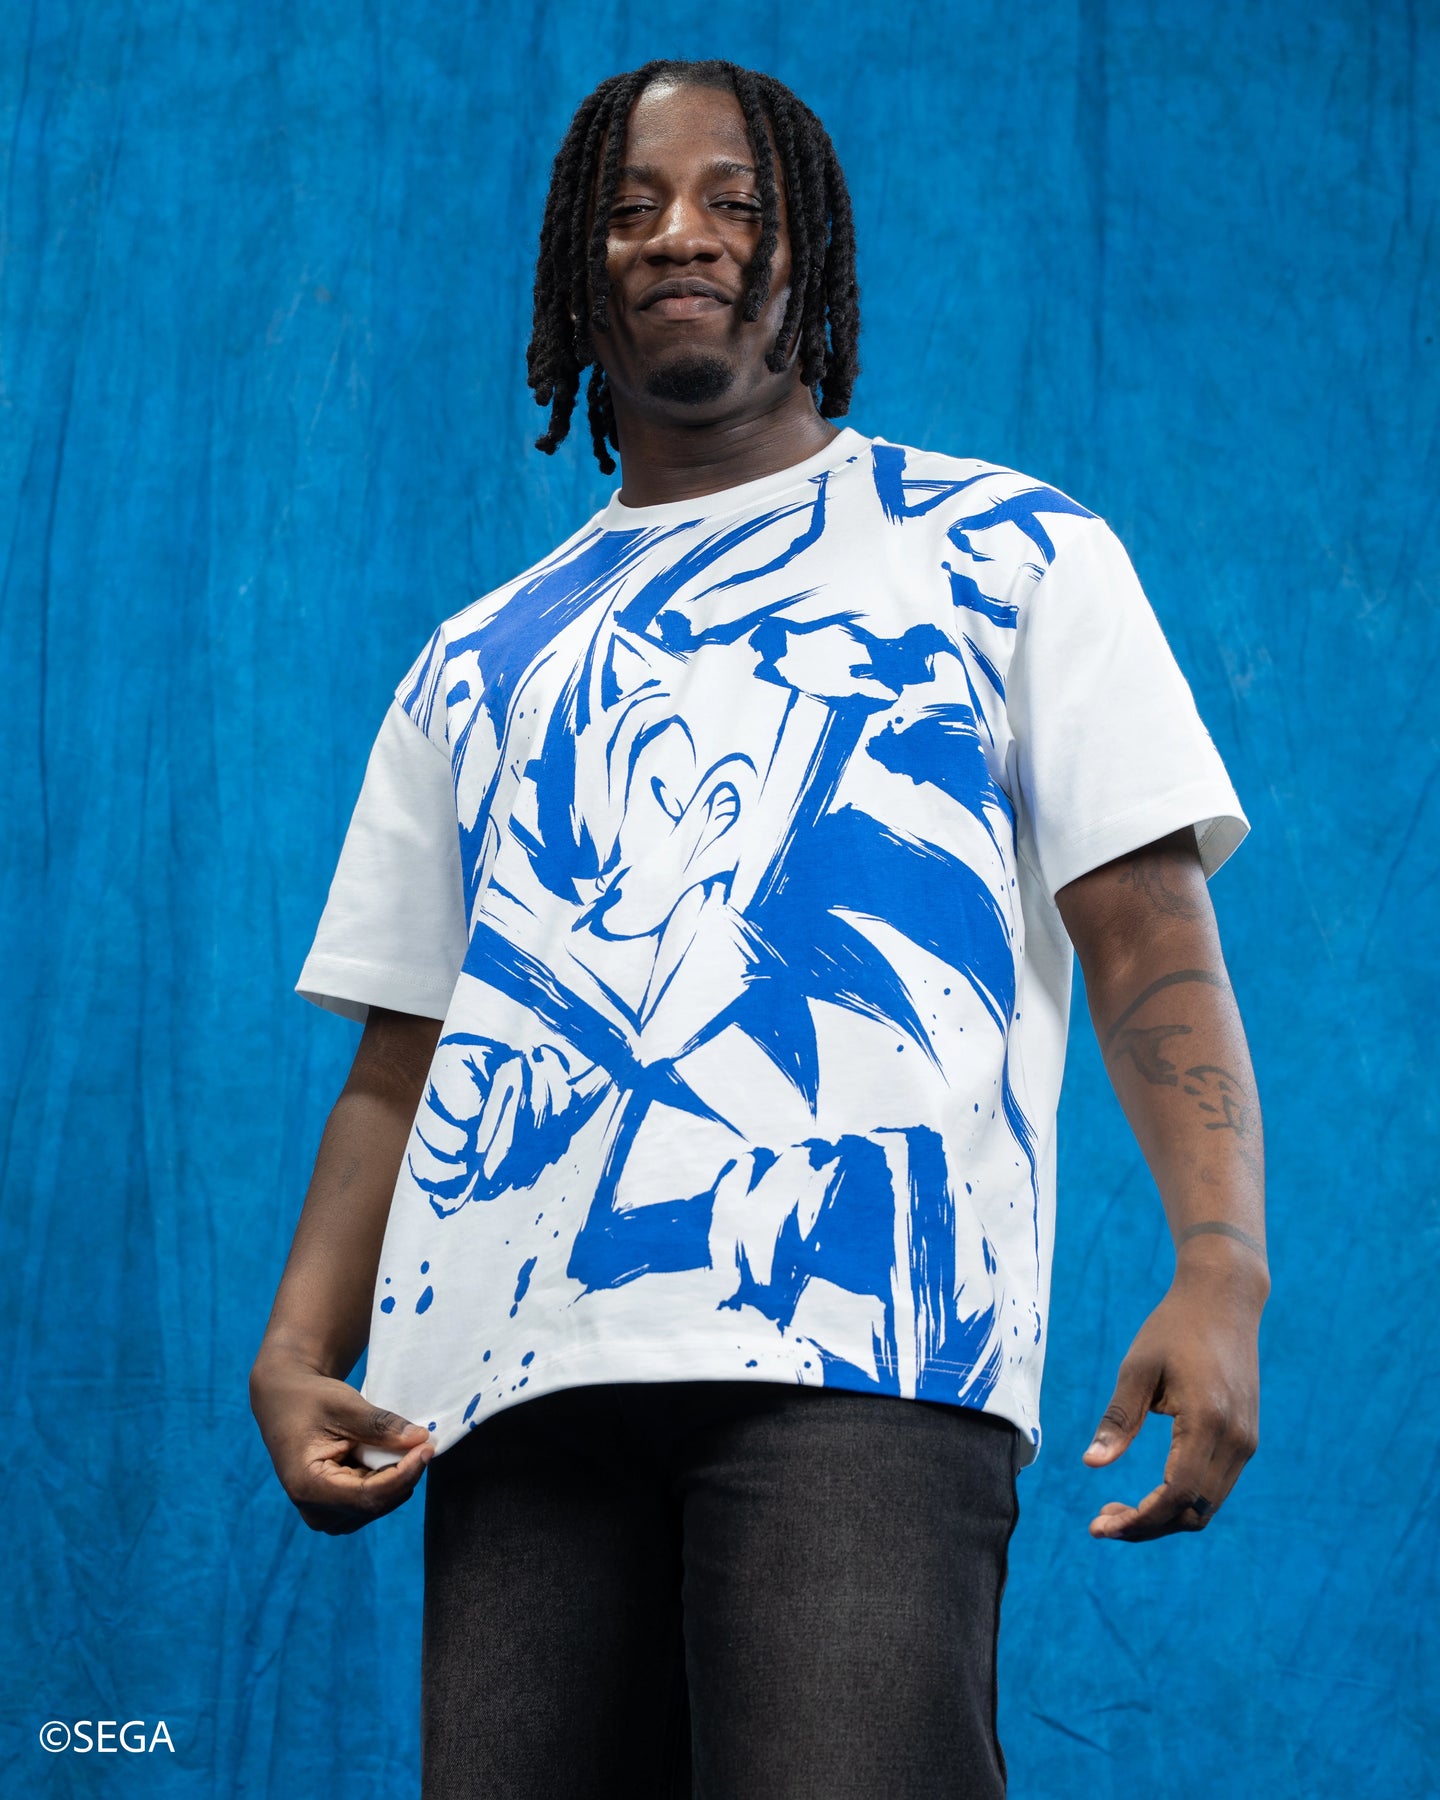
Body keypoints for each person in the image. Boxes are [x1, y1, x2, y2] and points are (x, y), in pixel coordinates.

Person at [250, 58, 1268, 1800]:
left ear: (813, 254)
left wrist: (1222, 1263)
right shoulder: (476, 659)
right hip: (501, 1392)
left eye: (737, 200)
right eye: (632, 206)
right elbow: (406, 1051)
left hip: (862, 1356)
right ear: (576, 267)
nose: (682, 235)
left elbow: (1146, 929)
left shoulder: (1005, 550)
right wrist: (295, 1347)